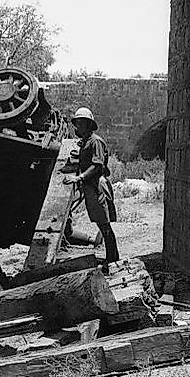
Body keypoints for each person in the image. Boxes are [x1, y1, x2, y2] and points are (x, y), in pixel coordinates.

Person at [62, 108, 120, 270]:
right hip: (91, 186)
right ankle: (112, 257)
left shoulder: (96, 142)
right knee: (101, 222)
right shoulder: (87, 142)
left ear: (88, 125)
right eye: (76, 124)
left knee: (104, 224)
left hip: (97, 185)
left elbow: (97, 165)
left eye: (80, 124)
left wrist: (79, 177)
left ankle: (113, 259)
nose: (77, 127)